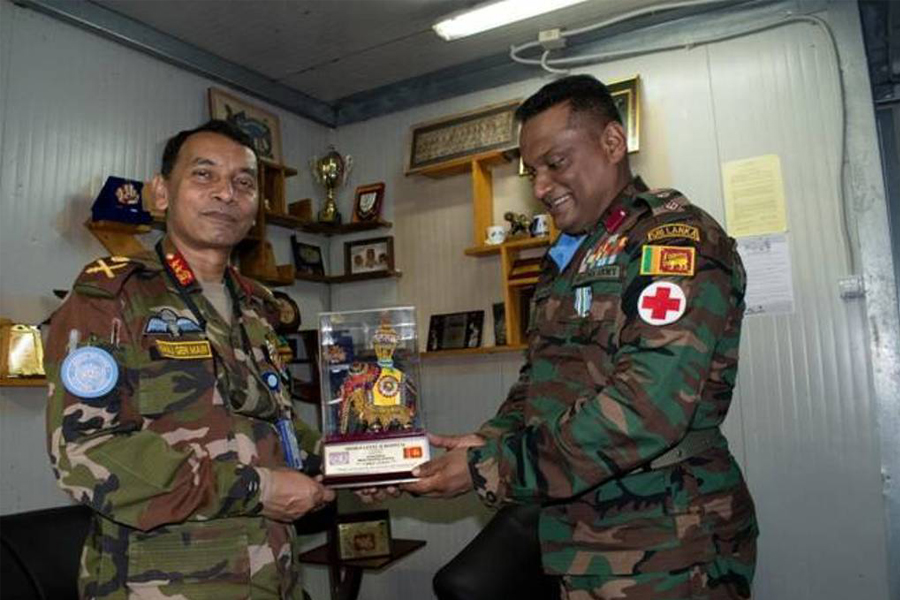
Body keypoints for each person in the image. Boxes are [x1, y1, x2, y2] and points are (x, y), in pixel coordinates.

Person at [403, 75, 758, 599]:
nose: (541, 187)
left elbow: (645, 410)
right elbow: (540, 381)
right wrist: (492, 438)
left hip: (669, 541)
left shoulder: (673, 239)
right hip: (578, 535)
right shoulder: (572, 256)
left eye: (556, 163)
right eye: (533, 172)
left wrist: (489, 470)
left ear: (612, 144)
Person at [45, 119, 335, 599]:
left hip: (273, 575)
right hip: (165, 583)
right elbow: (87, 450)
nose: (226, 193)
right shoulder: (112, 296)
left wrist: (357, 463)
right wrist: (257, 489)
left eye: (243, 182)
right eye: (204, 175)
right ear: (160, 193)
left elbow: (277, 425)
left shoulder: (257, 306)